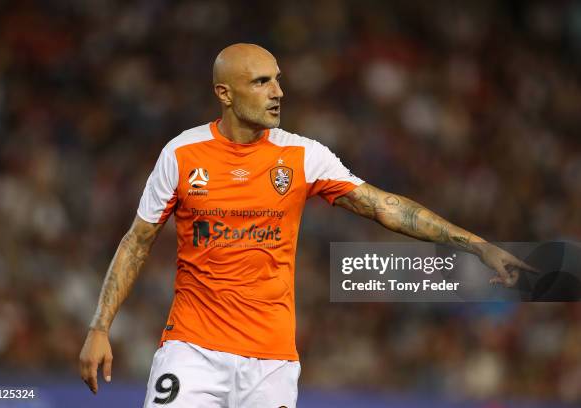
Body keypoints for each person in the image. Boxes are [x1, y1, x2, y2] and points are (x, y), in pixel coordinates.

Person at [79, 43, 536, 407]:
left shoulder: (303, 155)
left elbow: (384, 207)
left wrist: (477, 245)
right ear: (225, 94)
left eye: (278, 79)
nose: (278, 92)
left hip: (272, 363)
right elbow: (137, 241)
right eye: (262, 82)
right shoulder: (181, 155)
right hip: (192, 350)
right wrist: (101, 326)